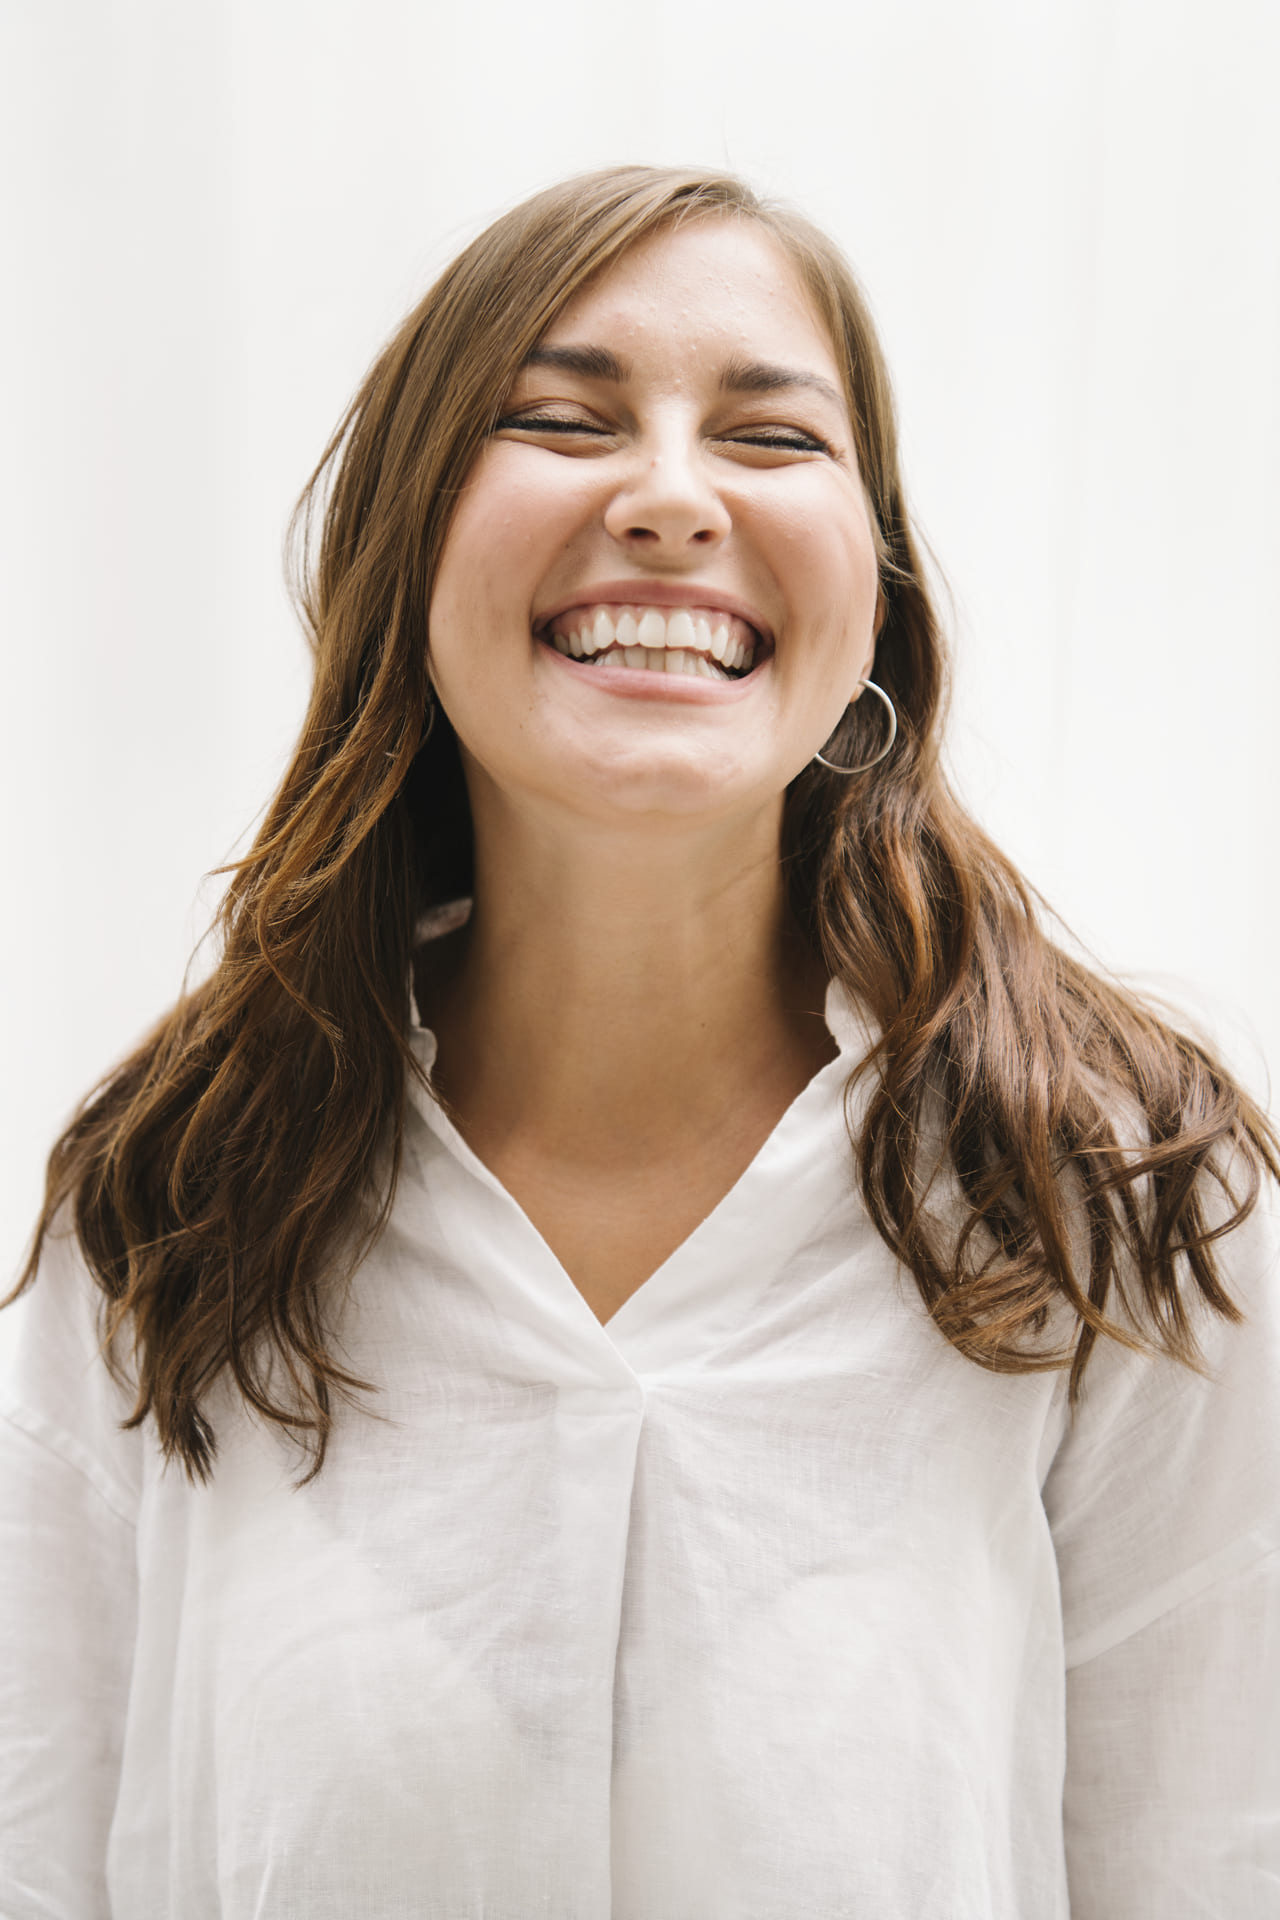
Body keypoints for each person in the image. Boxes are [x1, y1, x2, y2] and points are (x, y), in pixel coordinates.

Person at [2, 165, 1277, 1920]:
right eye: (558, 417)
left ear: (879, 606)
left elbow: (1211, 1857)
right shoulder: (167, 1197)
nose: (672, 498)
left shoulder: (1117, 1196)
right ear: (406, 552)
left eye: (771, 439)